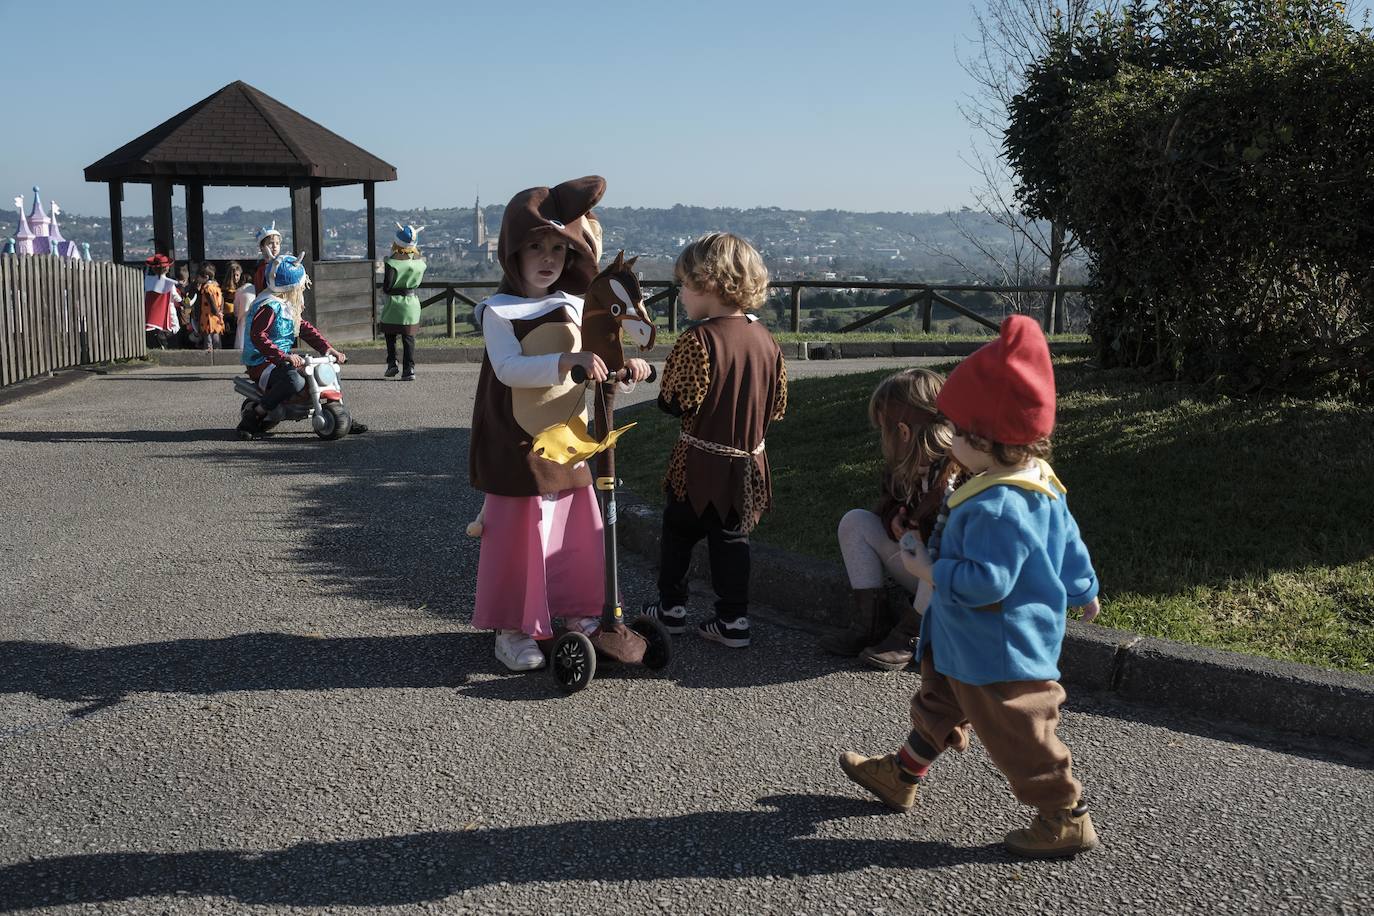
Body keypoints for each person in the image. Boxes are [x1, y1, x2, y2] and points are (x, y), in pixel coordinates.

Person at [837, 315, 1102, 859]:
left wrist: (929, 569)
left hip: (997, 650)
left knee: (1020, 734)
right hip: (969, 642)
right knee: (936, 703)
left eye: (957, 431)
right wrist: (1083, 589)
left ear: (985, 438)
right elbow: (1070, 544)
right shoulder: (1039, 483)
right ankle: (901, 776)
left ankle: (1064, 813)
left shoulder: (996, 506)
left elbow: (986, 583)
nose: (950, 439)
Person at [468, 176, 649, 672]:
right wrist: (568, 362)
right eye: (535, 248)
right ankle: (513, 628)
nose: (548, 259)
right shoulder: (500, 312)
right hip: (519, 444)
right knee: (523, 533)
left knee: (575, 530)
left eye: (557, 248)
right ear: (513, 253)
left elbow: (600, 358)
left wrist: (625, 368)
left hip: (571, 442)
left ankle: (574, 612)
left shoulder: (573, 304)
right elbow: (508, 369)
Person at [640, 232, 787, 649]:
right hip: (747, 466)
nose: (681, 294)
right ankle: (733, 619)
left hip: (699, 465)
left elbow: (674, 401)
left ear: (710, 283)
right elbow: (776, 406)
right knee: (732, 540)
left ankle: (671, 607)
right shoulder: (766, 339)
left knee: (678, 532)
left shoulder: (698, 339)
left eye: (685, 284)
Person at [820, 368, 965, 670]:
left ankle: (911, 634)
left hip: (957, 585)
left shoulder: (960, 467)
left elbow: (959, 539)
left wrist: (925, 518)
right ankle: (870, 623)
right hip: (920, 567)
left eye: (884, 430)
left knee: (943, 553)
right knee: (855, 522)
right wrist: (894, 519)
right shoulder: (903, 464)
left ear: (902, 431)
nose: (883, 439)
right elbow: (888, 503)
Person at [236, 254, 367, 438]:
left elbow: (303, 328)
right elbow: (258, 336)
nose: (301, 289)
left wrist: (327, 348)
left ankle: (340, 415)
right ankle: (255, 414)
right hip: (263, 361)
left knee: (324, 371)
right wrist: (283, 356)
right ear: (290, 286)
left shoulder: (287, 304)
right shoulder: (269, 306)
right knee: (294, 380)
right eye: (300, 286)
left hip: (281, 358)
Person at [379, 223, 426, 380]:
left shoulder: (391, 263)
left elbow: (387, 286)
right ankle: (409, 369)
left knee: (390, 334)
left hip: (394, 303)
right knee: (408, 338)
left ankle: (392, 363)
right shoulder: (420, 263)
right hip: (411, 302)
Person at [142, 253, 181, 349]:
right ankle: (163, 339)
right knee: (175, 327)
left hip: (151, 310)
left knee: (153, 327)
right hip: (167, 309)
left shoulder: (147, 280)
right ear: (167, 268)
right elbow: (176, 297)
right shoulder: (169, 283)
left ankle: (159, 339)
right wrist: (183, 302)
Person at [196, 263, 226, 350]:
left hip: (208, 318)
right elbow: (222, 299)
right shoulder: (216, 286)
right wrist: (220, 312)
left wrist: (215, 312)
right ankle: (218, 358)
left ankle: (209, 359)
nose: (197, 278)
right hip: (217, 317)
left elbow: (211, 302)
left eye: (199, 276)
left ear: (206, 277)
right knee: (216, 339)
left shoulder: (206, 288)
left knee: (208, 341)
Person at [252, 224, 282, 291]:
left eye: (277, 243)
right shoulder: (260, 269)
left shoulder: (282, 264)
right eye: (270, 243)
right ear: (262, 247)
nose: (275, 246)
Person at [222, 260, 244, 347]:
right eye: (234, 275)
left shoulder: (240, 288)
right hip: (227, 317)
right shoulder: (225, 289)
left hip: (236, 316)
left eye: (237, 275)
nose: (236, 277)